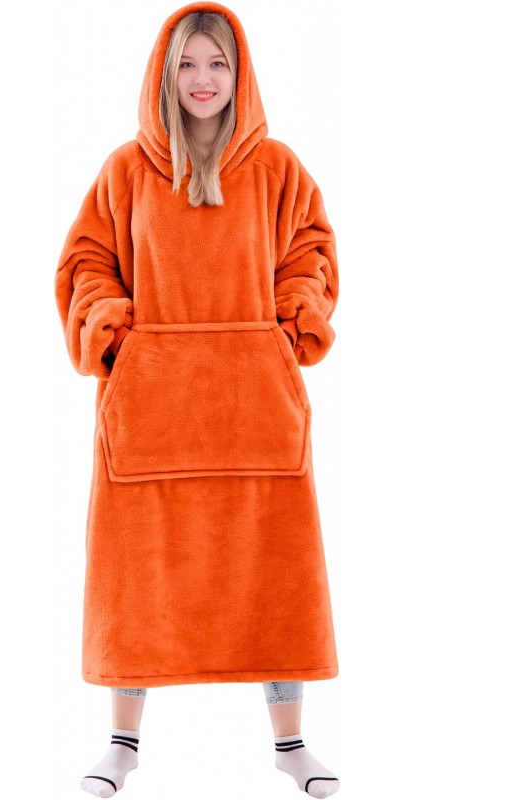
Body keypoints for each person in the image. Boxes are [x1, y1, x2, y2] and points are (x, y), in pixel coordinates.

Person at [54, 2, 341, 797]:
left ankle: (290, 745)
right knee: (138, 569)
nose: (202, 79)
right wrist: (116, 332)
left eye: (217, 63)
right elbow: (86, 262)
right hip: (152, 408)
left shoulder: (278, 168)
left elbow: (310, 250)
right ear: (164, 73)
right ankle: (123, 743)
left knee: (274, 567)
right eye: (187, 64)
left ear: (239, 74)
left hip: (256, 404)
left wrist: (292, 319)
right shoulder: (126, 171)